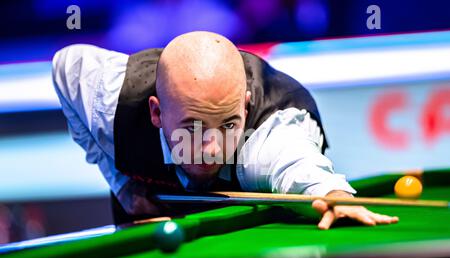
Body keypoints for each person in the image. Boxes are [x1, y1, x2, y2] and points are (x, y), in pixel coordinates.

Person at [52, 31, 398, 229]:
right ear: (156, 112)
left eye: (228, 125)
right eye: (194, 126)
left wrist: (334, 196)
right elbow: (64, 66)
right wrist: (121, 183)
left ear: (245, 106)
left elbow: (299, 167)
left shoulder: (266, 136)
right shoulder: (110, 99)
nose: (212, 148)